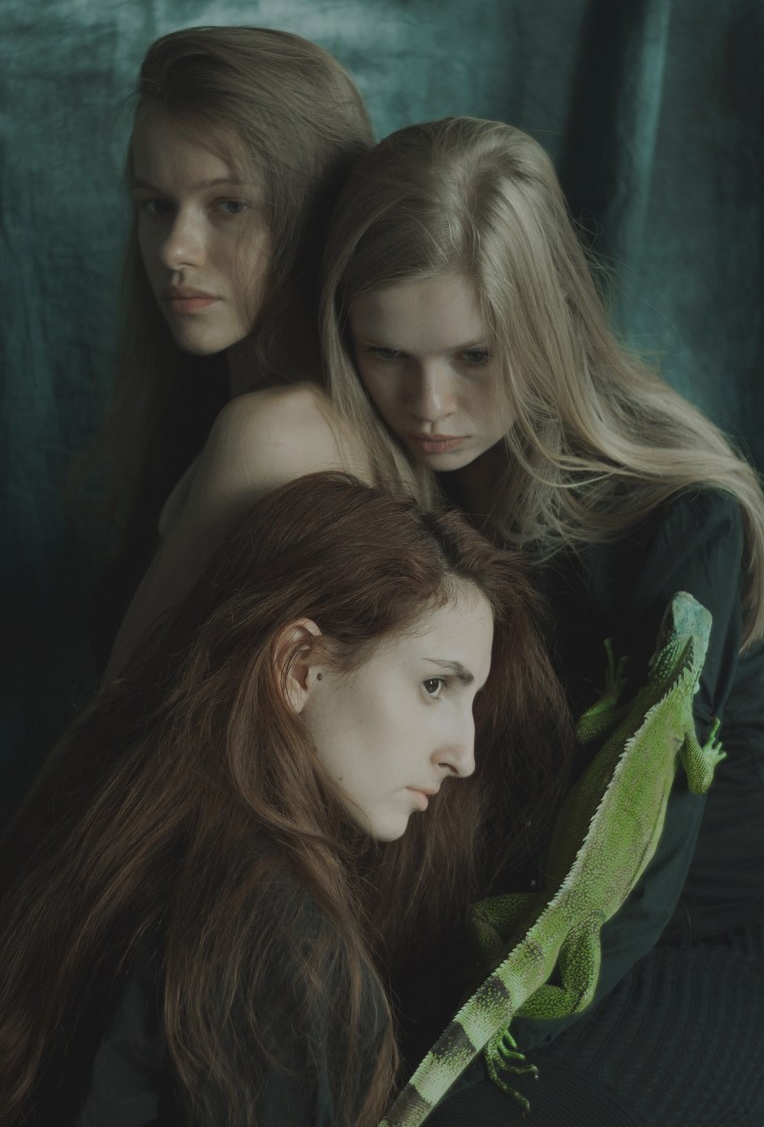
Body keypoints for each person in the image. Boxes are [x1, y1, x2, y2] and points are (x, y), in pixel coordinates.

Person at [319, 117, 764, 1124]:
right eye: (386, 353)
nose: (429, 404)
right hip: (482, 922)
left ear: (549, 321)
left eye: (473, 355)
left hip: (678, 945)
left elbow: (633, 868)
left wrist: (459, 1060)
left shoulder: (678, 516)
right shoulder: (384, 489)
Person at [0, 473, 570, 1127]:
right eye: (435, 685)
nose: (463, 755)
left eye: (471, 701)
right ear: (300, 665)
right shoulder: (277, 940)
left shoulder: (128, 829)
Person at [95, 25, 376, 669]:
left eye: (228, 205)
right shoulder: (211, 401)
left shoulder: (273, 432)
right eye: (155, 206)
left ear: (313, 210)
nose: (175, 250)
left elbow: (122, 707)